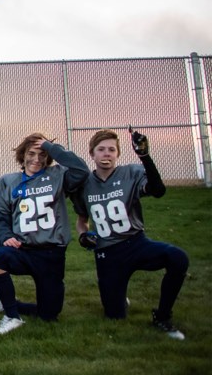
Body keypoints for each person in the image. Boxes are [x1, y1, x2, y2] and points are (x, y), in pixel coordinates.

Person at [73, 128, 189, 339]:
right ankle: (117, 296)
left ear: (118, 153)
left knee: (177, 258)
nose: (106, 153)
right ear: (92, 153)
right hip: (107, 253)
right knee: (114, 315)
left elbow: (158, 190)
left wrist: (144, 156)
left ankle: (162, 316)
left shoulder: (130, 173)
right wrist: (83, 235)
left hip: (135, 243)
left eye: (111, 149)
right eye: (101, 149)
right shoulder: (84, 185)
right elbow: (82, 220)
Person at [0, 133, 89, 335]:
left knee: (49, 315)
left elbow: (81, 170)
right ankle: (12, 316)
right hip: (24, 250)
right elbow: (2, 217)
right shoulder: (8, 182)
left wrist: (53, 147)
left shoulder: (57, 176)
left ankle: (10, 303)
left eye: (42, 154)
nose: (37, 159)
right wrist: (5, 236)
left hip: (52, 253)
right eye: (31, 153)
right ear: (23, 154)